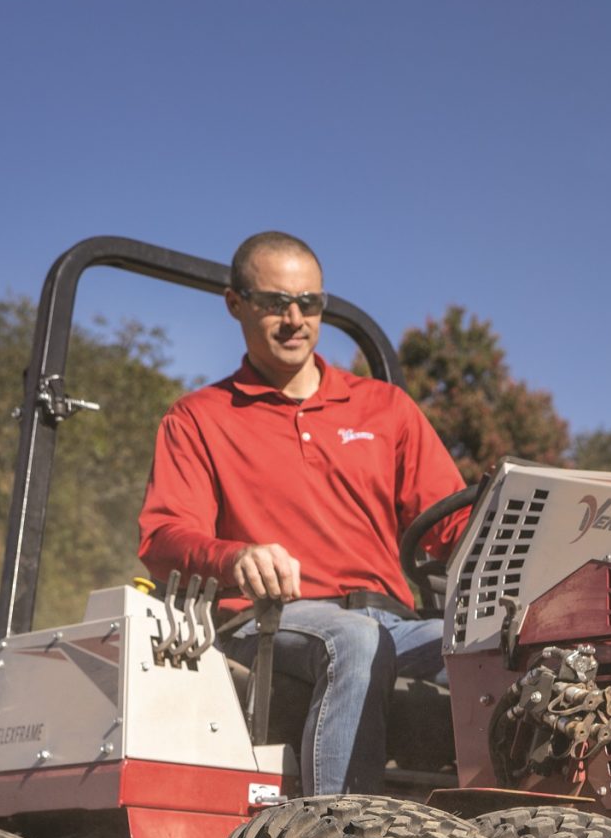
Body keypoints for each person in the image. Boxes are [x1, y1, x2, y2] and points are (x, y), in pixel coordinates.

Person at [136, 230, 469, 795]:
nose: (294, 319)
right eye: (274, 303)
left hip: (392, 619)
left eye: (309, 303)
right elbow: (163, 536)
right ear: (235, 304)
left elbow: (452, 527)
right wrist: (235, 556)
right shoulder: (199, 417)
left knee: (505, 646)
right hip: (268, 618)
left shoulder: (385, 408)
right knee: (355, 642)